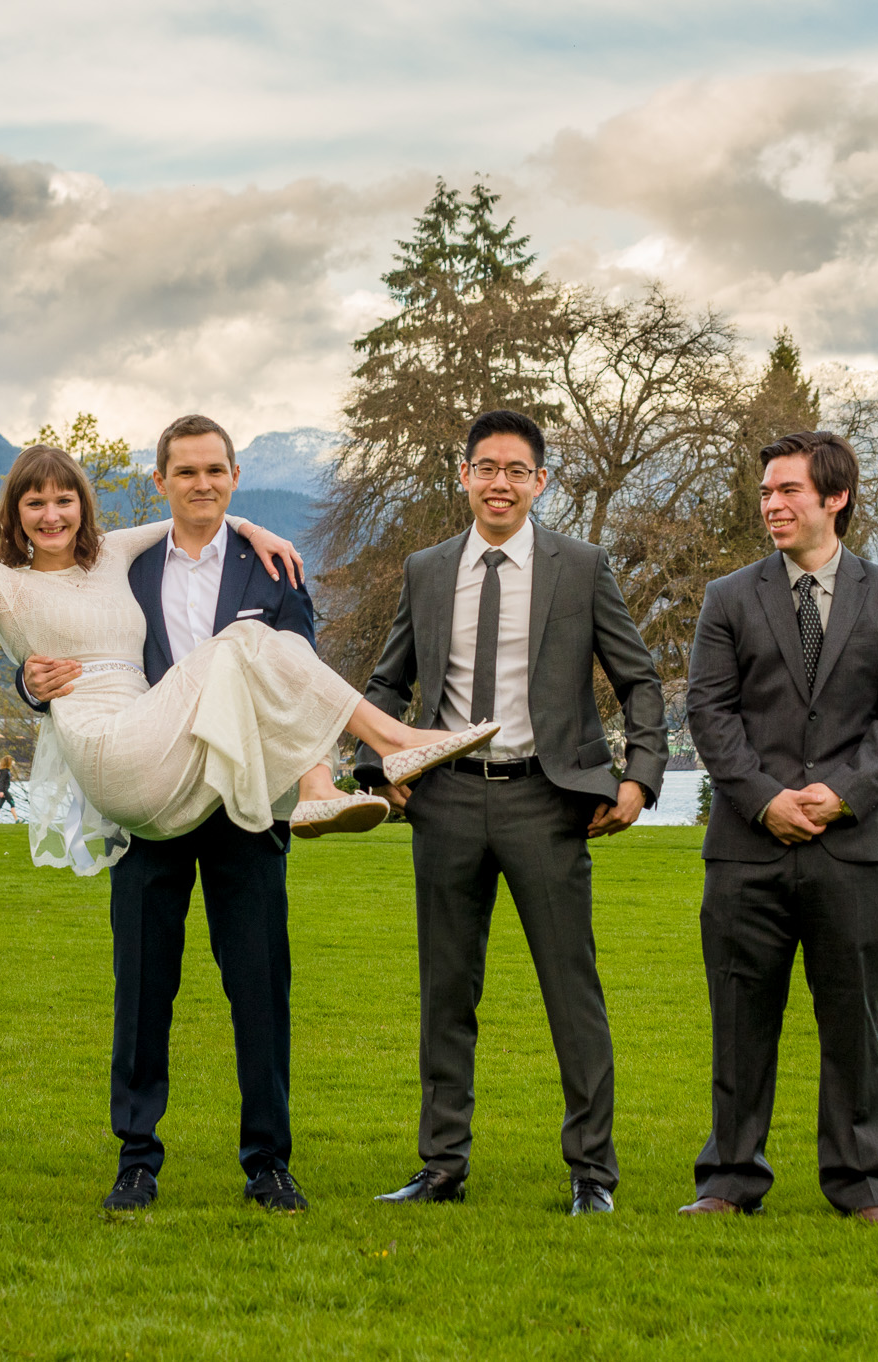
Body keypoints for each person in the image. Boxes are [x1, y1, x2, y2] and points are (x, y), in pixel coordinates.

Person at [0, 360, 495, 872]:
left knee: (259, 647)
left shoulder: (110, 556)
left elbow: (195, 510)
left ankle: (321, 785)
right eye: (34, 504)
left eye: (64, 500)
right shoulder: (3, 587)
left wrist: (255, 529)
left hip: (163, 751)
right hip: (109, 751)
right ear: (14, 515)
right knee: (247, 639)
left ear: (82, 507)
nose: (51, 515)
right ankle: (391, 742)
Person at [15, 413, 339, 1213]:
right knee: (143, 987)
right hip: (150, 803)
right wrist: (30, 684)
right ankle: (136, 1158)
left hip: (244, 801)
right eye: (186, 472)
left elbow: (299, 671)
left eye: (216, 471)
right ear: (160, 481)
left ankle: (268, 1161)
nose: (202, 484)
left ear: (234, 477)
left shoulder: (275, 569)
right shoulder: (117, 566)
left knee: (260, 986)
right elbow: (51, 637)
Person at [350, 409, 667, 1216]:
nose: (500, 482)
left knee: (573, 991)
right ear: (463, 476)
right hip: (446, 800)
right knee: (446, 991)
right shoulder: (425, 569)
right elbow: (385, 685)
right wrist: (375, 764)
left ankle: (592, 1173)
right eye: (485, 467)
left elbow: (640, 680)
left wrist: (639, 779)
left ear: (540, 482)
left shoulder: (582, 566)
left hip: (546, 800)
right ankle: (441, 1167)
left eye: (516, 470)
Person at [682, 430, 878, 1226]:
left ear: (836, 497)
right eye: (765, 493)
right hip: (747, 847)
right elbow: (709, 714)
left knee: (853, 1023)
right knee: (738, 1020)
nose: (772, 505)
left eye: (788, 491)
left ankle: (861, 1186)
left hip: (854, 846)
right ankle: (727, 1180)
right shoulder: (728, 597)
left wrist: (841, 793)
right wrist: (765, 800)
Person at [0, 755, 20, 823]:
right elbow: (1, 781)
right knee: (12, 803)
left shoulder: (6, 771)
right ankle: (17, 820)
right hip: (4, 791)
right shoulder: (4, 772)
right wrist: (1, 791)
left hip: (4, 790)